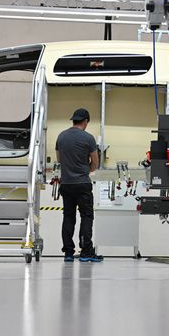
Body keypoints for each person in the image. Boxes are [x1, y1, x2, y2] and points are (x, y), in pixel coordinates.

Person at [55, 108, 102, 262]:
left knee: (68, 216)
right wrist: (85, 170)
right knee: (86, 216)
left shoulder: (61, 137)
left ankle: (68, 252)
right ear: (86, 121)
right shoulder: (88, 138)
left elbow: (60, 159)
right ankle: (86, 251)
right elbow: (95, 163)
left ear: (73, 120)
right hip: (82, 183)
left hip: (66, 183)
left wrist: (70, 169)